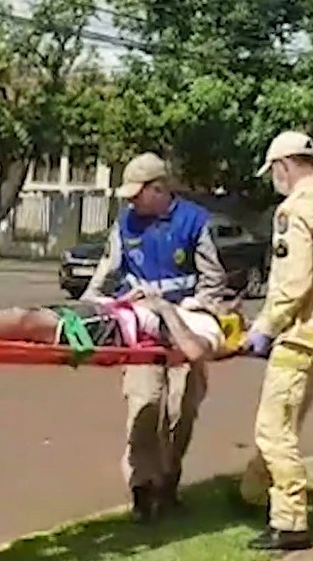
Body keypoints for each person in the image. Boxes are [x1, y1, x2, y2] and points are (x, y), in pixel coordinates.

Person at [82, 152, 228, 523]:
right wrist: (95, 308)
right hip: (143, 331)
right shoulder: (125, 225)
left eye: (138, 193)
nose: (131, 201)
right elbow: (104, 277)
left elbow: (213, 280)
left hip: (185, 327)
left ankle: (168, 479)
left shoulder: (194, 222)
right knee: (144, 405)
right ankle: (142, 491)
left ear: (160, 189)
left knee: (182, 409)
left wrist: (196, 309)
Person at [236, 131, 313, 552]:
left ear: (284, 166)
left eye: (274, 172)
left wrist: (265, 325)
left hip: (300, 330)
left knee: (274, 428)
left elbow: (293, 281)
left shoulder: (294, 211)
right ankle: (252, 490)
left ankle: (290, 519)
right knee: (285, 421)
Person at [0, 288, 247, 363]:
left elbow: (194, 351)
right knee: (21, 316)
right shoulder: (192, 310)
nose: (214, 296)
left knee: (24, 320)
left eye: (224, 299)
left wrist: (164, 307)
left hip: (110, 329)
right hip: (110, 314)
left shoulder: (210, 329)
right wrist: (129, 298)